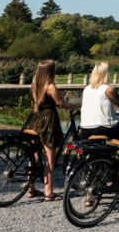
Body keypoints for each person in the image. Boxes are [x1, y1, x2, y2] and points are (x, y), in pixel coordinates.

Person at [22, 60, 80, 201]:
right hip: (48, 121)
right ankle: (49, 192)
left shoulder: (35, 84)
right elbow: (62, 103)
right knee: (50, 158)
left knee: (34, 156)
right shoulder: (51, 87)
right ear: (50, 72)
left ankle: (31, 188)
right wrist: (77, 105)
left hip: (34, 120)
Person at [79, 62, 119, 140]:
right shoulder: (108, 89)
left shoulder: (86, 89)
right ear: (106, 74)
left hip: (85, 129)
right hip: (105, 128)